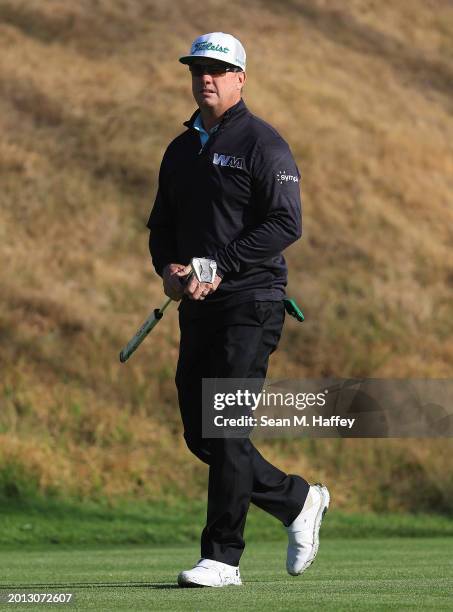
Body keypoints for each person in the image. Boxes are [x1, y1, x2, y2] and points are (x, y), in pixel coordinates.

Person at [147, 32, 329, 588]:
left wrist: (218, 264)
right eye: (199, 68)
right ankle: (298, 499)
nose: (207, 77)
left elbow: (284, 223)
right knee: (203, 436)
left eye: (219, 70)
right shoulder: (180, 150)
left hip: (252, 301)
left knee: (225, 427)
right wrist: (172, 271)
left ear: (240, 78)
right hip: (197, 306)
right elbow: (161, 226)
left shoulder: (262, 142)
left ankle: (222, 558)